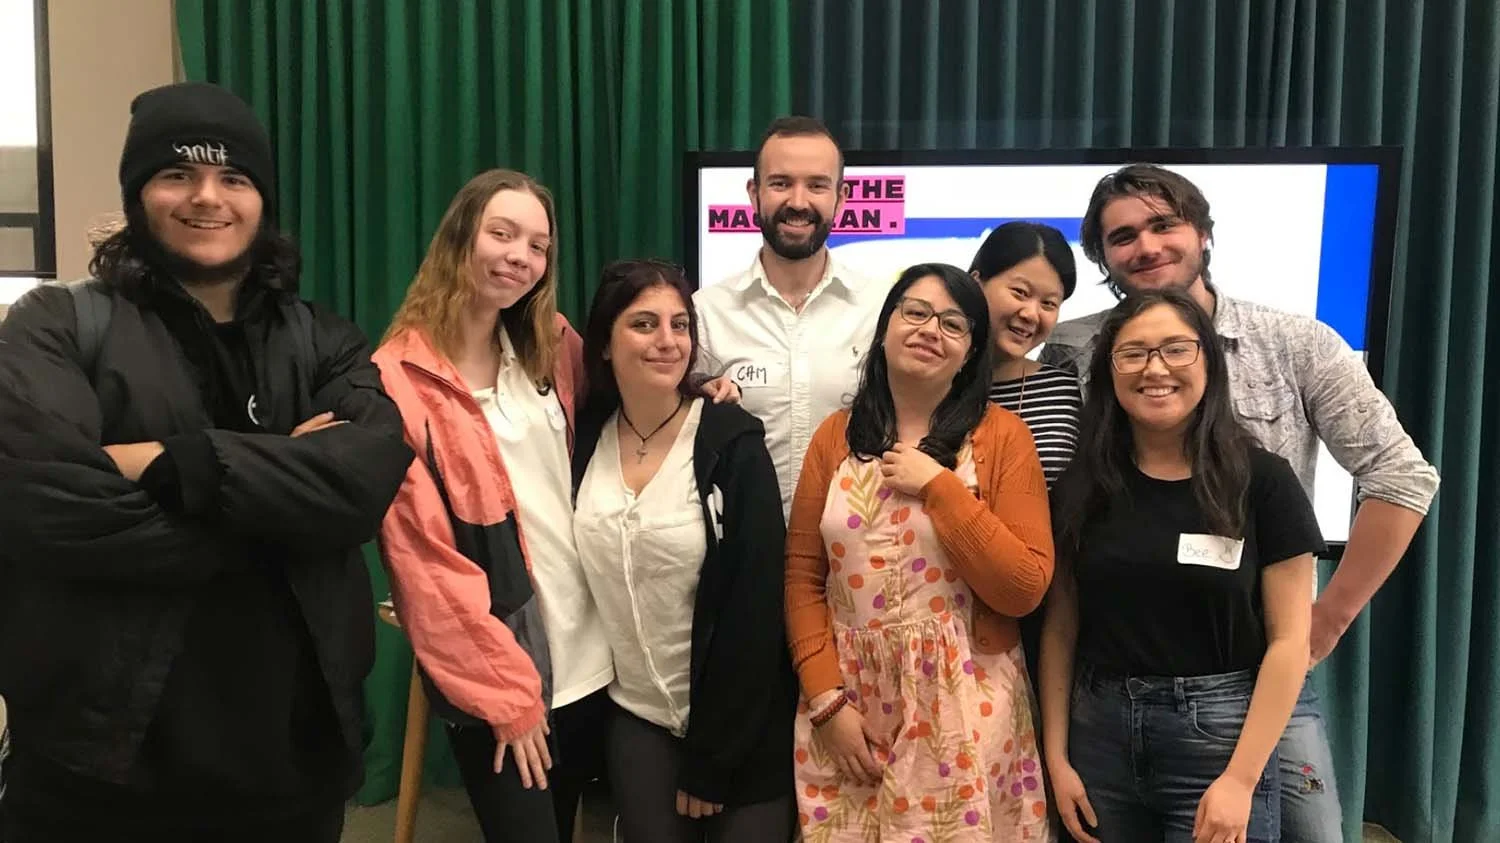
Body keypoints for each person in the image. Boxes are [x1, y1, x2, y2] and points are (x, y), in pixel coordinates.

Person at [0, 81, 412, 841]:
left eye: (233, 177)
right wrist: (282, 500)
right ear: (137, 193)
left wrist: (172, 462)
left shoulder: (325, 339)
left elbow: (365, 479)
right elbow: (39, 505)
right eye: (176, 174)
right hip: (95, 772)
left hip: (293, 769)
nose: (207, 198)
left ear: (263, 199)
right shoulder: (55, 325)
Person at [1042, 163, 1440, 842]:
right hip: (1112, 686)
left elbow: (1401, 476)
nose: (1147, 246)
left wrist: (1330, 618)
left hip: (1251, 671)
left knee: (1312, 833)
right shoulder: (1073, 354)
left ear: (1203, 232)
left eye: (1164, 224)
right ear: (1103, 257)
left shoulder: (1295, 342)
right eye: (1123, 236)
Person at [373, 169, 615, 843]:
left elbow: (633, 409)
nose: (520, 256)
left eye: (537, 246)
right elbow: (423, 564)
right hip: (499, 663)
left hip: (585, 649)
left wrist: (704, 388)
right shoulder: (396, 381)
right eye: (502, 234)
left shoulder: (552, 344)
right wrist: (505, 694)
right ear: (459, 237)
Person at [785, 263, 1056, 842]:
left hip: (968, 707)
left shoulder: (1003, 437)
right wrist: (826, 701)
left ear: (970, 352)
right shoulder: (834, 437)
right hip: (849, 708)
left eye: (953, 324)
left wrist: (939, 487)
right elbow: (803, 577)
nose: (931, 329)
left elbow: (1024, 587)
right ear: (885, 326)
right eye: (915, 312)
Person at [1041, 289, 1322, 843]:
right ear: (1109, 371)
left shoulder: (1262, 481)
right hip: (1098, 734)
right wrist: (1057, 757)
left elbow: (1290, 641)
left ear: (1209, 363)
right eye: (1133, 353)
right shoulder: (1084, 484)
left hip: (1219, 740)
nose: (1155, 369)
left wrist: (1240, 780)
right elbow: (1060, 627)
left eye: (1176, 349)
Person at [570, 259, 797, 842]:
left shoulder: (730, 439)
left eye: (680, 324)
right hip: (638, 714)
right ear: (604, 343)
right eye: (643, 324)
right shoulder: (582, 437)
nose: (667, 341)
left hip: (740, 724)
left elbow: (756, 608)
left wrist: (714, 758)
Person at [694, 115, 886, 515]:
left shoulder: (881, 310)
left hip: (854, 545)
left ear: (841, 197)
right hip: (744, 545)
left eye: (817, 185)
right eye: (781, 183)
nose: (798, 202)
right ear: (754, 194)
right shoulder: (705, 313)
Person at [972, 220, 1083, 487]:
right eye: (1020, 292)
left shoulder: (1069, 392)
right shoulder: (930, 381)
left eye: (1049, 303)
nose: (1032, 314)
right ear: (976, 282)